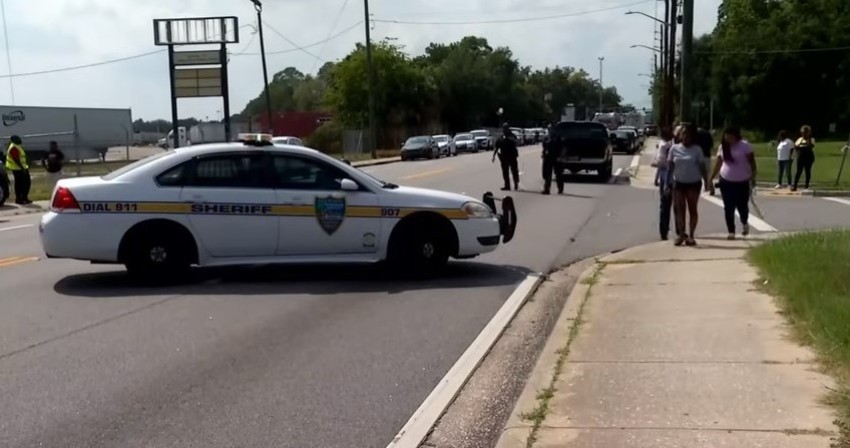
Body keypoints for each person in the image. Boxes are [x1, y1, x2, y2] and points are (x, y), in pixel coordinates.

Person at [709, 126, 757, 240]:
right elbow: (719, 163)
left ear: (736, 136)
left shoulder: (745, 146)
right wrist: (710, 178)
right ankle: (731, 230)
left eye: (730, 136)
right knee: (728, 207)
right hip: (726, 180)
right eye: (726, 136)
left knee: (742, 207)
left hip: (742, 181)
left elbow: (752, 162)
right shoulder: (723, 147)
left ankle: (744, 223)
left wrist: (753, 177)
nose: (728, 138)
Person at [667, 123, 710, 246]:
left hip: (693, 183)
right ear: (680, 135)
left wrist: (706, 181)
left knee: (692, 209)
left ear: (692, 136)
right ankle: (681, 234)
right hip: (678, 183)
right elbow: (670, 167)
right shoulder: (674, 148)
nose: (685, 136)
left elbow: (702, 167)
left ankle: (691, 235)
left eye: (688, 134)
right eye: (683, 134)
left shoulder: (697, 149)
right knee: (679, 210)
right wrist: (667, 182)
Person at [651, 126, 674, 240]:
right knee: (666, 205)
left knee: (666, 205)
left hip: (668, 175)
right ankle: (664, 230)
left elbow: (661, 162)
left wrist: (657, 176)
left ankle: (665, 230)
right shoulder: (664, 145)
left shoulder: (667, 146)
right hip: (665, 174)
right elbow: (661, 162)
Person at [5, 135, 32, 205]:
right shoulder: (13, 147)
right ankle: (19, 199)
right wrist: (22, 168)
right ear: (13, 140)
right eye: (18, 139)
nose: (20, 140)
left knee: (25, 184)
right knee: (21, 184)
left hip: (21, 168)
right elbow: (16, 159)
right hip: (18, 169)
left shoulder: (17, 146)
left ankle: (24, 198)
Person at [493, 127, 520, 191]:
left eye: (506, 129)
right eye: (504, 129)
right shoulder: (501, 138)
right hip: (504, 157)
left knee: (514, 170)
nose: (505, 131)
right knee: (505, 172)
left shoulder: (512, 136)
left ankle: (516, 183)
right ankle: (507, 186)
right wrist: (493, 156)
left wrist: (511, 139)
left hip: (512, 156)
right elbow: (497, 147)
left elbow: (517, 142)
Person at [791, 125, 815, 191]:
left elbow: (810, 146)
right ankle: (795, 186)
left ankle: (806, 186)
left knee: (807, 171)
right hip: (800, 157)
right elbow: (795, 147)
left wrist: (806, 142)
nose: (804, 133)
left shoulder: (811, 139)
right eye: (803, 132)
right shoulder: (799, 139)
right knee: (798, 171)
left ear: (809, 132)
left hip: (809, 157)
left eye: (806, 132)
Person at [540, 124, 563, 195]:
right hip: (547, 157)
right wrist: (543, 154)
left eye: (551, 129)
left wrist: (561, 156)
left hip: (556, 157)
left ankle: (560, 188)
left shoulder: (558, 137)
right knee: (547, 174)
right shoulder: (546, 137)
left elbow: (563, 147)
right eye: (549, 129)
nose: (550, 130)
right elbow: (544, 147)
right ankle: (546, 189)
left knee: (558, 174)